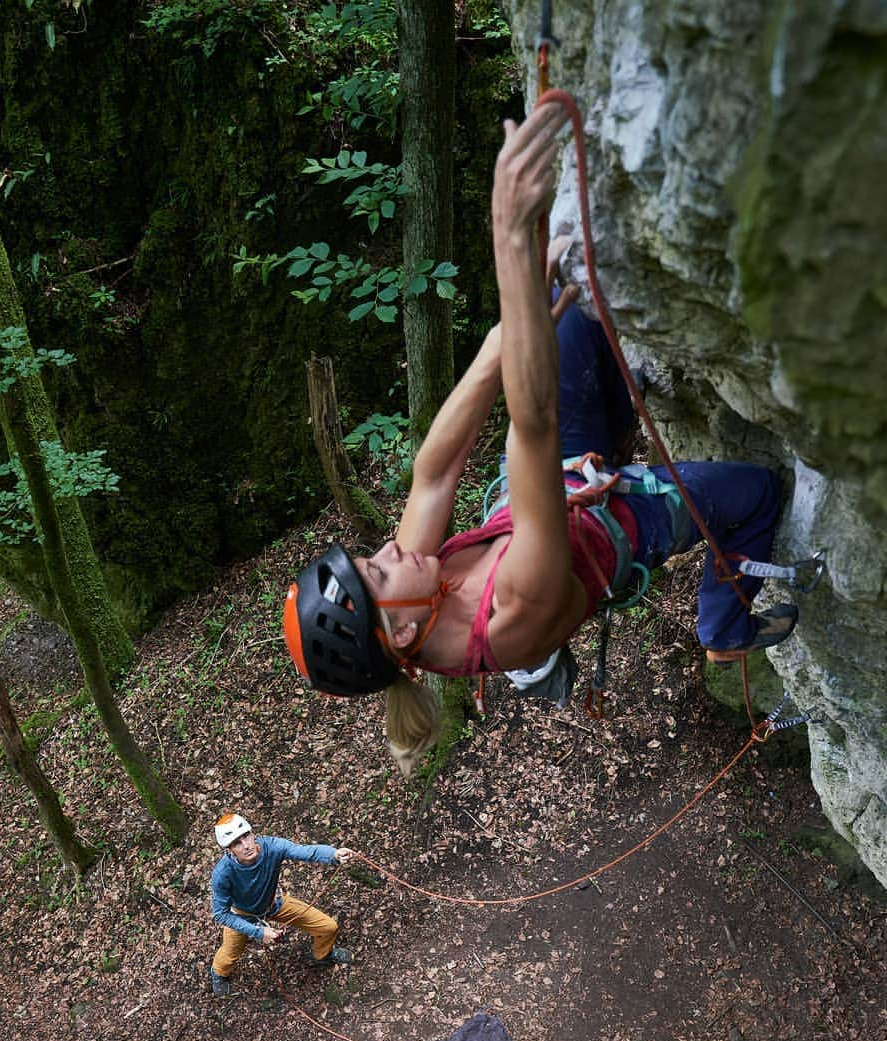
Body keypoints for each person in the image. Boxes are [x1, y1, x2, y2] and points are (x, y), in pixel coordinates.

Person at [283, 102, 798, 774]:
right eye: (379, 569)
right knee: (757, 495)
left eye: (372, 557)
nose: (389, 548)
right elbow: (533, 423)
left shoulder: (412, 590)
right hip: (620, 522)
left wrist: (502, 346)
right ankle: (723, 629)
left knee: (578, 312)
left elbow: (434, 474)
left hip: (551, 481)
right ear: (402, 631)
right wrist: (509, 236)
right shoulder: (511, 622)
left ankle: (623, 394)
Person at [208, 812, 354, 997]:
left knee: (328, 927)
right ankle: (219, 974)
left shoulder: (272, 847)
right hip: (242, 914)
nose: (246, 845)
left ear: (253, 834)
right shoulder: (223, 873)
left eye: (246, 836)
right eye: (237, 843)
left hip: (274, 903)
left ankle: (323, 954)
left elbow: (306, 851)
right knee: (228, 956)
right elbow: (220, 914)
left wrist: (333, 854)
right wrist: (259, 932)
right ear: (229, 850)